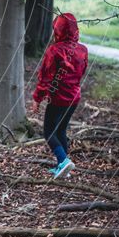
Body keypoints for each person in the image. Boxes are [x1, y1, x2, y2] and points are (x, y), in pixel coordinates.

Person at [31, 12, 88, 179]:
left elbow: (45, 77)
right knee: (61, 130)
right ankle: (62, 168)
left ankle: (63, 161)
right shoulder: (82, 50)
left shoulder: (54, 51)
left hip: (58, 98)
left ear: (58, 29)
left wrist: (37, 99)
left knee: (49, 132)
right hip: (74, 98)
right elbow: (82, 72)